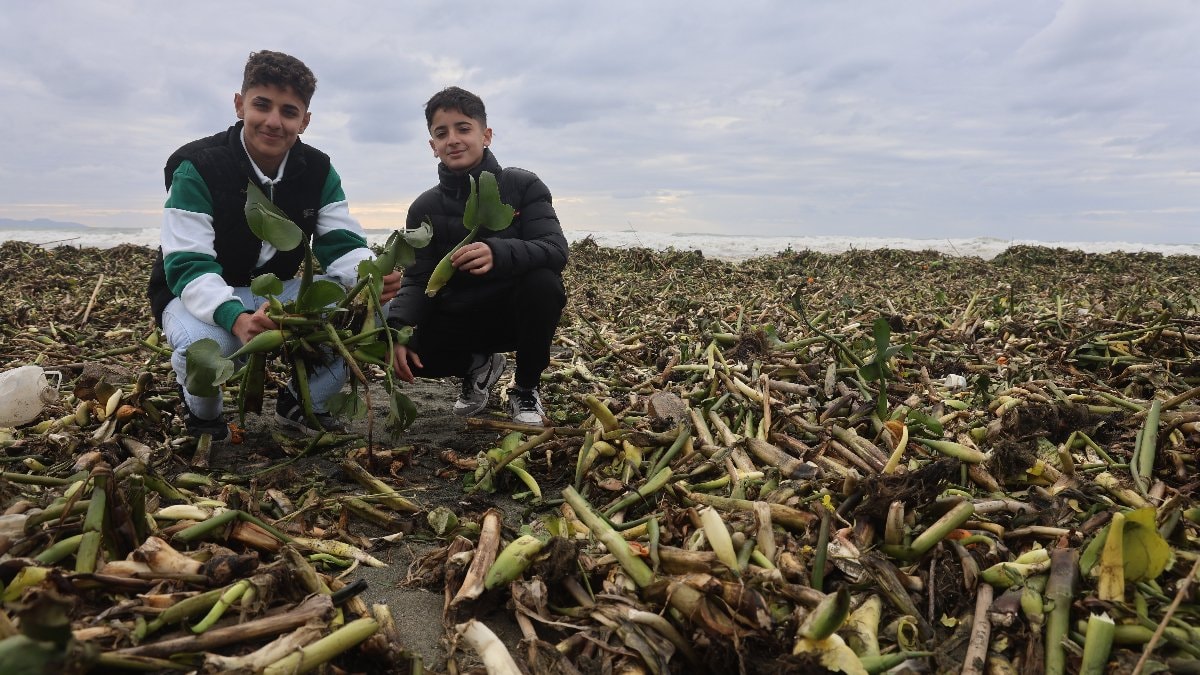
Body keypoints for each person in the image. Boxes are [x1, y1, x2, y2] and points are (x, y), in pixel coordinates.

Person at [147, 50, 401, 440]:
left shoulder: (318, 169)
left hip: (274, 293)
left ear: (305, 120)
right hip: (192, 292)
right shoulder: (197, 165)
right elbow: (187, 262)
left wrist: (369, 278)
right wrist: (235, 316)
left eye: (288, 111)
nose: (273, 121)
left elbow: (341, 242)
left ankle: (303, 404)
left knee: (360, 317)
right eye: (261, 105)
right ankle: (205, 418)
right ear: (239, 104)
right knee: (206, 345)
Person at [387, 86, 567, 425]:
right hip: (460, 317)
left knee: (544, 283)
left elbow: (555, 250)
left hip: (513, 315)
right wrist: (398, 327)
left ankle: (526, 388)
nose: (453, 139)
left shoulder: (523, 185)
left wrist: (498, 252)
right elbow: (418, 277)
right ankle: (478, 366)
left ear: (486, 135)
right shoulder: (423, 207)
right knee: (403, 351)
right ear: (433, 146)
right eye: (442, 133)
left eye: (463, 128)